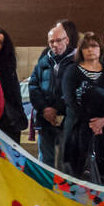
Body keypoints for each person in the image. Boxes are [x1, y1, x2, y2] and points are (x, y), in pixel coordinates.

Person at [61, 32, 104, 184]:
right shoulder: (72, 71)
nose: (90, 50)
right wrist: (91, 122)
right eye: (86, 47)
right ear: (80, 50)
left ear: (101, 49)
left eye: (94, 46)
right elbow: (70, 100)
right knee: (77, 176)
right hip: (78, 129)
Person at [27, 20, 77, 169]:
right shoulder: (43, 61)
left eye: (58, 40)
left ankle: (64, 192)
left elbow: (73, 90)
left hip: (66, 119)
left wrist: (56, 108)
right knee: (45, 161)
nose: (55, 44)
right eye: (51, 42)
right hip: (44, 119)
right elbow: (33, 85)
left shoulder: (76, 62)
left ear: (67, 40)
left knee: (66, 161)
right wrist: (44, 109)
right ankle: (45, 191)